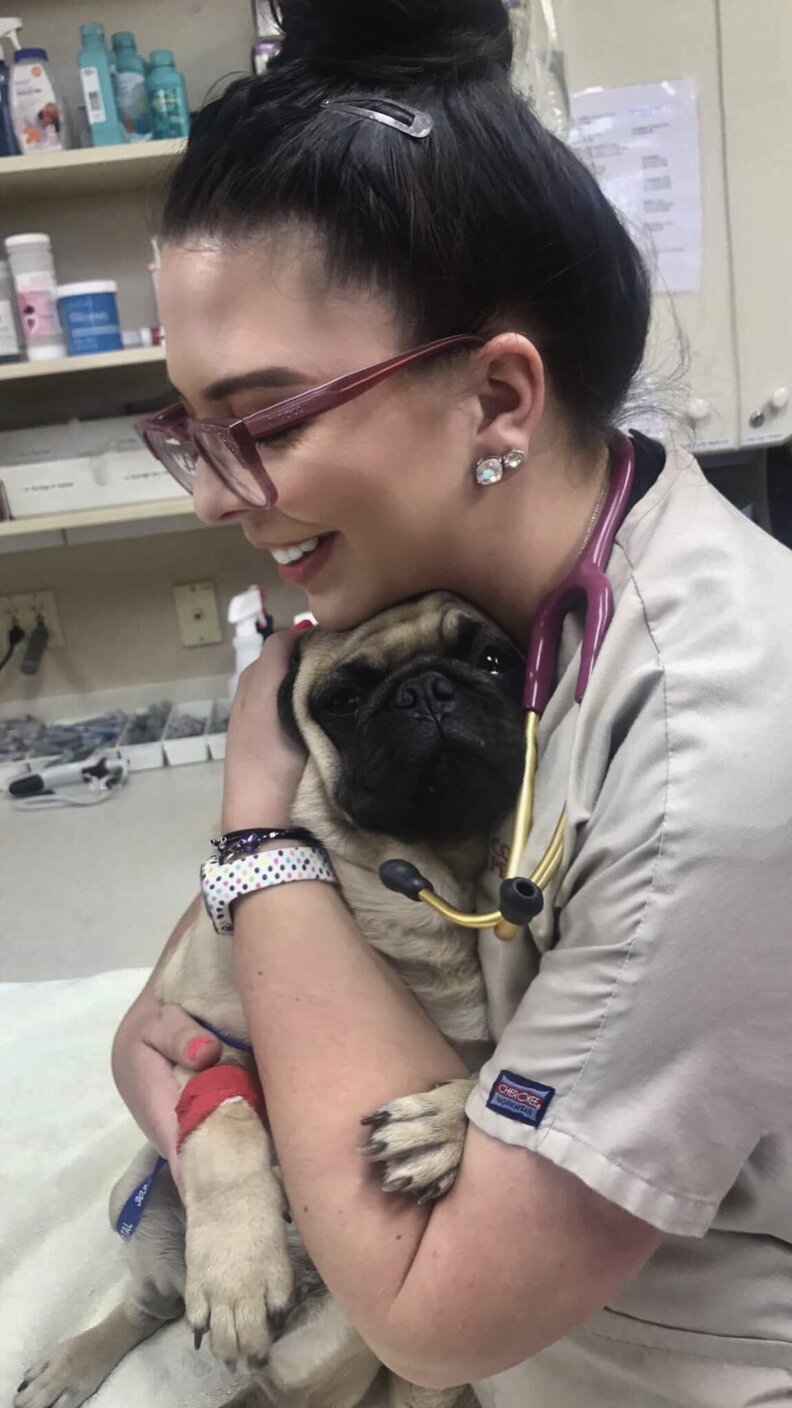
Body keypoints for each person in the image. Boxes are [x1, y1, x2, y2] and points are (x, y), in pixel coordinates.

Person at [113, 1, 792, 1403]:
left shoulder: (715, 756)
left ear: (496, 396)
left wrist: (258, 834)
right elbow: (165, 1031)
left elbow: (431, 1311)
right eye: (190, 428)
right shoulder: (409, 603)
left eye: (267, 421)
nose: (213, 494)